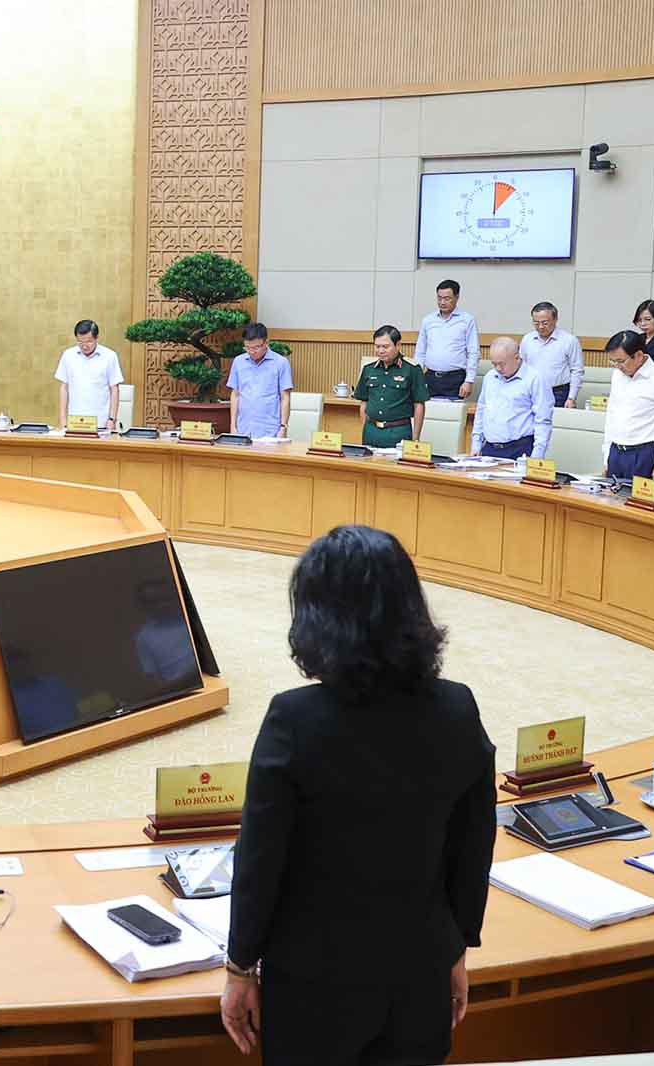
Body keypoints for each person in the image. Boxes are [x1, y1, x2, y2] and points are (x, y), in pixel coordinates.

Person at [221, 524, 496, 1065]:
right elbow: (473, 845)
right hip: (418, 973)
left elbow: (260, 858)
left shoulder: (294, 719)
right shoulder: (458, 708)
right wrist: (455, 947)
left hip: (314, 986)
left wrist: (240, 967)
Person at [603, 330, 654, 482]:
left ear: (638, 355)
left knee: (639, 505)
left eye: (620, 361)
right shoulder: (617, 375)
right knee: (610, 503)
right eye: (613, 361)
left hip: (645, 453)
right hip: (616, 452)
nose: (617, 366)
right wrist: (607, 456)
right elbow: (612, 415)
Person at [470, 336, 553, 460]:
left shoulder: (535, 379)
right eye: (494, 364)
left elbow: (543, 420)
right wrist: (476, 443)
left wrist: (537, 455)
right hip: (489, 449)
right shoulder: (490, 377)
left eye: (502, 364)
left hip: (520, 450)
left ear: (517, 358)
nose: (498, 368)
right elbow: (482, 410)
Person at [355, 325, 427, 447]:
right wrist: (364, 427)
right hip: (371, 432)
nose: (381, 351)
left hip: (399, 432)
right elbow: (364, 402)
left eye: (385, 347)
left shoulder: (412, 369)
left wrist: (415, 440)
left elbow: (419, 404)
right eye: (377, 346)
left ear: (398, 345)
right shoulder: (368, 369)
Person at [413, 280, 479, 400]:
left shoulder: (467, 320)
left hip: (455, 378)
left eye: (447, 298)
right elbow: (420, 351)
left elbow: (473, 352)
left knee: (452, 414)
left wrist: (469, 381)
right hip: (430, 377)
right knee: (428, 414)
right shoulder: (428, 320)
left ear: (457, 297)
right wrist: (416, 378)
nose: (442, 302)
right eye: (439, 298)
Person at [55, 319, 124, 430]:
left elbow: (114, 389)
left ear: (97, 338)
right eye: (80, 342)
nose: (84, 346)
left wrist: (112, 419)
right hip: (75, 422)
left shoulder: (110, 356)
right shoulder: (68, 355)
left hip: (101, 423)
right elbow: (64, 388)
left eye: (88, 342)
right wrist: (63, 419)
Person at [226, 323, 292, 438]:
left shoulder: (281, 363)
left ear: (266, 343)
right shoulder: (238, 362)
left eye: (256, 347)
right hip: (243, 429)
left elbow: (285, 397)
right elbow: (235, 395)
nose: (252, 352)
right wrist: (233, 425)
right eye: (247, 348)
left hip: (270, 430)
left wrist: (283, 427)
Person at [519, 301, 583, 409]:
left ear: (555, 319)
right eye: (536, 323)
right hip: (531, 391)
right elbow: (520, 367)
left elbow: (577, 370)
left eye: (544, 323)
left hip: (559, 393)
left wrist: (571, 398)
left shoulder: (569, 340)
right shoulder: (527, 339)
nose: (540, 327)